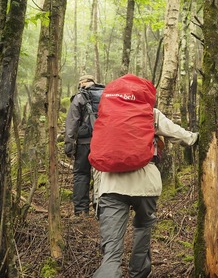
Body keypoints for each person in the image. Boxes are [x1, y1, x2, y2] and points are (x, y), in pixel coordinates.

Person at [92, 107, 198, 278]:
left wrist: (97, 194)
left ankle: (109, 273)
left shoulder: (106, 114)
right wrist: (195, 138)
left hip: (111, 184)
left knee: (111, 249)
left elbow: (97, 154)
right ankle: (139, 273)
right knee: (142, 229)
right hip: (146, 183)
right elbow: (176, 133)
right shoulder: (150, 112)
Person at [64, 74, 105, 216]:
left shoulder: (79, 97)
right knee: (103, 174)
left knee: (81, 174)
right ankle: (101, 209)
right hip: (104, 142)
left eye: (80, 82)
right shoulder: (106, 95)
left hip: (84, 143)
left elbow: (72, 123)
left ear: (83, 82)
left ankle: (81, 211)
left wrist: (69, 146)